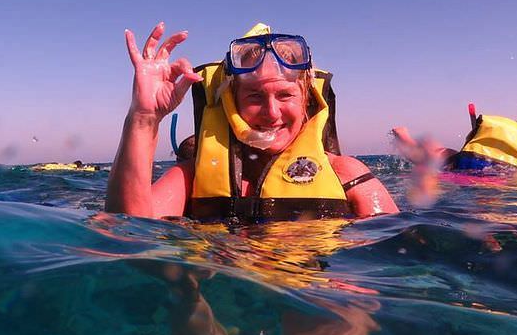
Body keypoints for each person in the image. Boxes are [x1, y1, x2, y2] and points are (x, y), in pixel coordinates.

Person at [105, 21, 398, 220]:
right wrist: (143, 118)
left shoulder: (346, 176)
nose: (271, 113)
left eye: (285, 95)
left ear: (306, 100)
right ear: (232, 103)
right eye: (255, 97)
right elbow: (128, 235)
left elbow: (393, 263)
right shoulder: (190, 178)